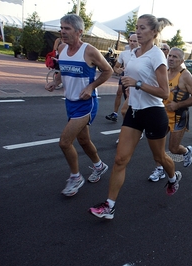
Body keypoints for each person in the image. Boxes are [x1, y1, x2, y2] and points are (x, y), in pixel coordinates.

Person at [89, 14, 180, 220]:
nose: (137, 32)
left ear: (154, 33)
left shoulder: (157, 56)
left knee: (159, 157)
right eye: (136, 28)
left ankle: (173, 177)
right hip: (134, 112)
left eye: (142, 28)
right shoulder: (132, 52)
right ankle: (109, 206)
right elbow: (125, 73)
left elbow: (164, 92)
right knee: (120, 159)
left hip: (153, 113)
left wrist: (137, 84)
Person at [45, 14, 113, 196]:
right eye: (61, 27)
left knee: (65, 142)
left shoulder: (89, 51)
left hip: (86, 103)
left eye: (66, 28)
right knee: (83, 140)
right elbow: (63, 70)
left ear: (79, 31)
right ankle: (99, 166)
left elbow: (108, 70)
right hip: (70, 102)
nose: (62, 31)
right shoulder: (61, 48)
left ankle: (76, 178)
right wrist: (56, 82)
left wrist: (91, 87)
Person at [148, 47, 192, 181]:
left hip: (179, 117)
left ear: (182, 60)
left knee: (173, 148)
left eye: (175, 57)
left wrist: (177, 105)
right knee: (157, 147)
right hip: (162, 114)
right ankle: (159, 170)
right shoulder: (163, 72)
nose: (171, 58)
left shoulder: (185, 76)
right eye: (170, 56)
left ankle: (186, 151)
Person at [105, 34, 139, 123]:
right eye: (130, 41)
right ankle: (115, 113)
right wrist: (118, 70)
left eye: (134, 41)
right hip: (125, 77)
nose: (132, 43)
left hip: (136, 81)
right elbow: (116, 67)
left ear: (139, 42)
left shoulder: (141, 54)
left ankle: (133, 126)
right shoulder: (124, 54)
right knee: (120, 92)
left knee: (127, 107)